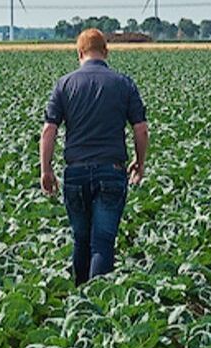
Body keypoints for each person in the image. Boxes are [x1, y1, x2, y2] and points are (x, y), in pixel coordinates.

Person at [38, 29, 149, 286]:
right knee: (102, 241)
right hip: (111, 171)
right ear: (106, 51)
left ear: (79, 53)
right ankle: (96, 306)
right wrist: (139, 163)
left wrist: (46, 170)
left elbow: (48, 130)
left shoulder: (64, 84)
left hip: (75, 173)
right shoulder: (123, 83)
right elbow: (141, 129)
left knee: (82, 239)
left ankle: (79, 302)